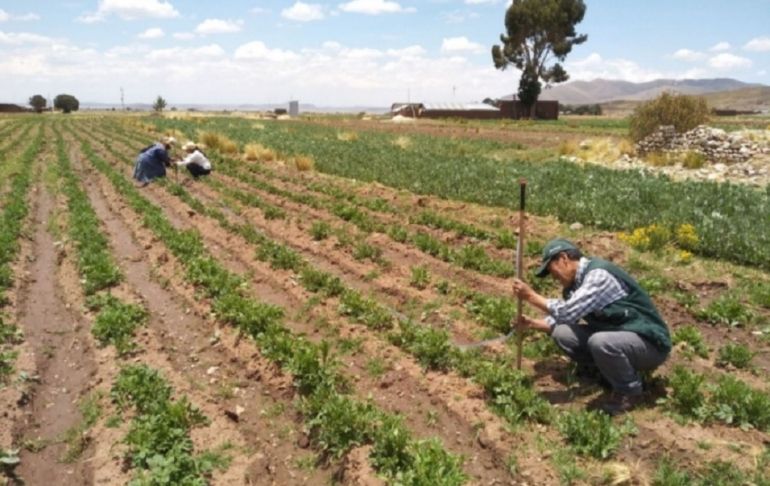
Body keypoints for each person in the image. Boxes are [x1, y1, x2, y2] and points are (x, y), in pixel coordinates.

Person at [512, 238, 671, 415]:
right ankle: (606, 374)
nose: (554, 277)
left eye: (553, 271)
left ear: (564, 258)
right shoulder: (575, 286)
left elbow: (566, 312)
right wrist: (533, 323)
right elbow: (563, 319)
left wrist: (531, 297)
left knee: (600, 341)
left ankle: (630, 392)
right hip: (620, 338)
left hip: (649, 344)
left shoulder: (598, 275)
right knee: (562, 333)